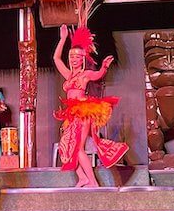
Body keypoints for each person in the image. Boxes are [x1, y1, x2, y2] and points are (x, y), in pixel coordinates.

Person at [53, 23, 129, 187]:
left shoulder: (85, 74)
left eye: (77, 57)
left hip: (83, 112)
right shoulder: (68, 75)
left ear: (82, 59)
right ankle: (82, 177)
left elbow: (98, 75)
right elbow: (56, 59)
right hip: (71, 114)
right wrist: (63, 39)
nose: (73, 60)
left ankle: (93, 182)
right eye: (71, 57)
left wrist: (103, 67)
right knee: (65, 147)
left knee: (78, 148)